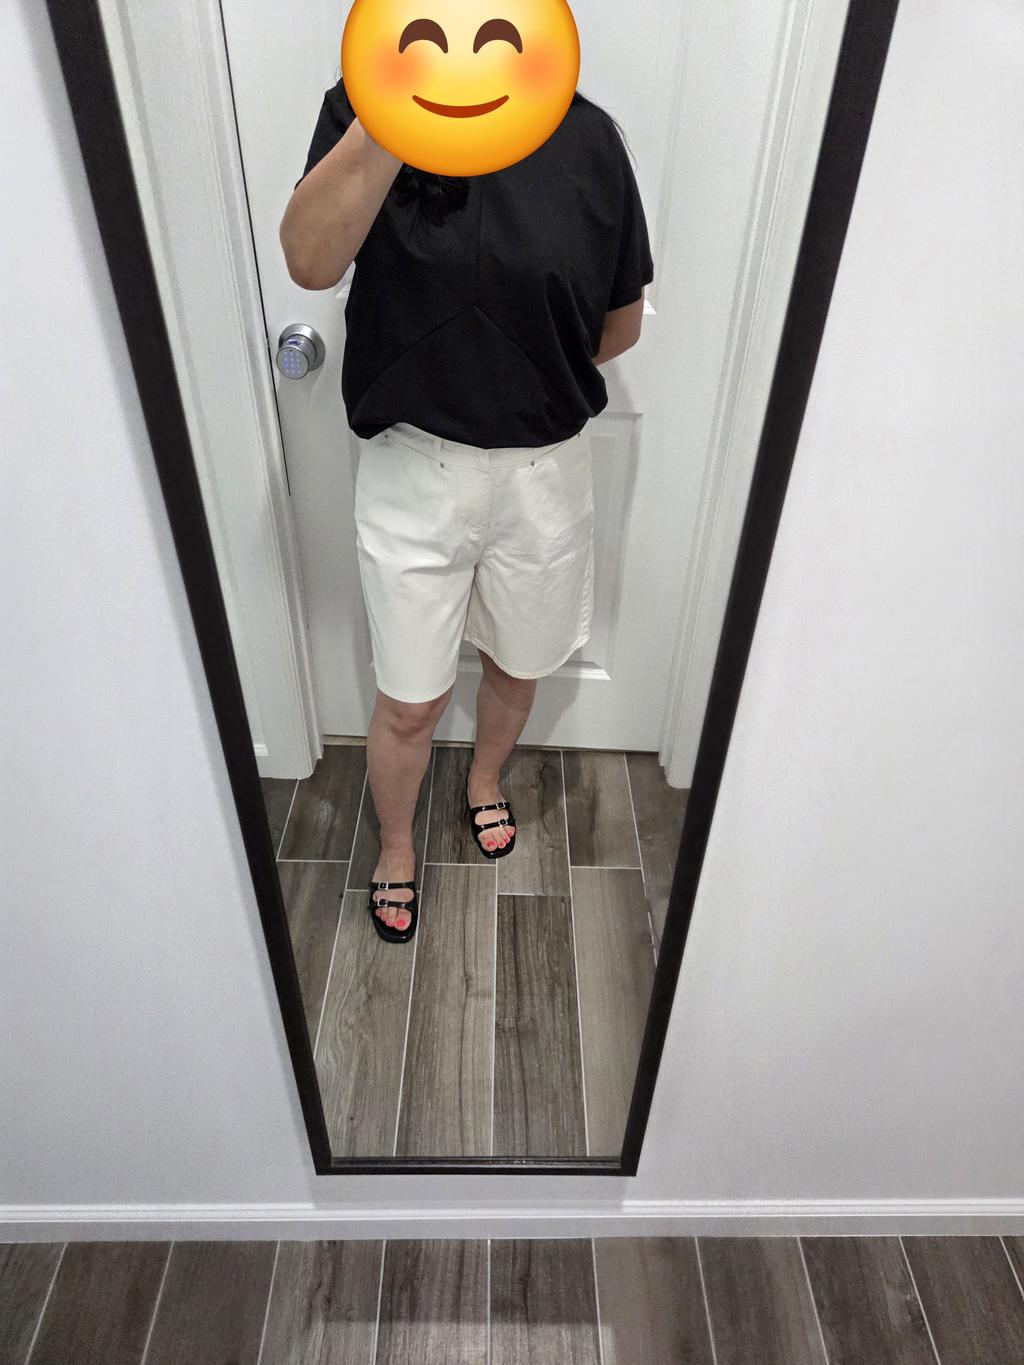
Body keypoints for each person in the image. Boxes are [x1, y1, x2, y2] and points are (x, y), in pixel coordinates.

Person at [280, 76, 654, 944]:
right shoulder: (365, 109)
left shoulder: (588, 138)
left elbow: (620, 321)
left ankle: (484, 780)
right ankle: (396, 844)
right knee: (409, 698)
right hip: (415, 466)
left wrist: (522, 371)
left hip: (542, 470)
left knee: (520, 664)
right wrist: (395, 114)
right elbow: (311, 261)